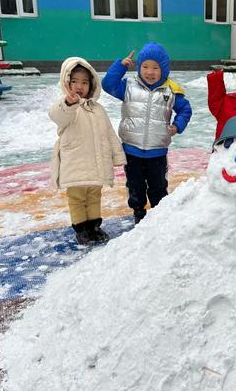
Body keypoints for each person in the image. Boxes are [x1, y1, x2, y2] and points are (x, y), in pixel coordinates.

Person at [102, 42, 192, 224]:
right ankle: (138, 212)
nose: (150, 72)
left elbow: (185, 110)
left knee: (158, 186)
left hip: (157, 151)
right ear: (139, 67)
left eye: (155, 68)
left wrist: (177, 126)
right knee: (135, 185)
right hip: (132, 150)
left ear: (163, 70)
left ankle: (159, 214)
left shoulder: (171, 90)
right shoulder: (128, 86)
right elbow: (108, 85)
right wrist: (121, 66)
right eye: (145, 66)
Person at [49, 57, 126, 245]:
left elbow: (109, 133)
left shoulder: (98, 109)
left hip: (96, 166)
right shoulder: (66, 108)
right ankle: (81, 228)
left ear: (91, 86)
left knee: (93, 196)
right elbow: (56, 115)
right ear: (66, 83)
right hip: (75, 165)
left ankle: (94, 226)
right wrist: (68, 103)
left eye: (84, 82)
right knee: (76, 198)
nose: (79, 86)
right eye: (74, 81)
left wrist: (118, 156)